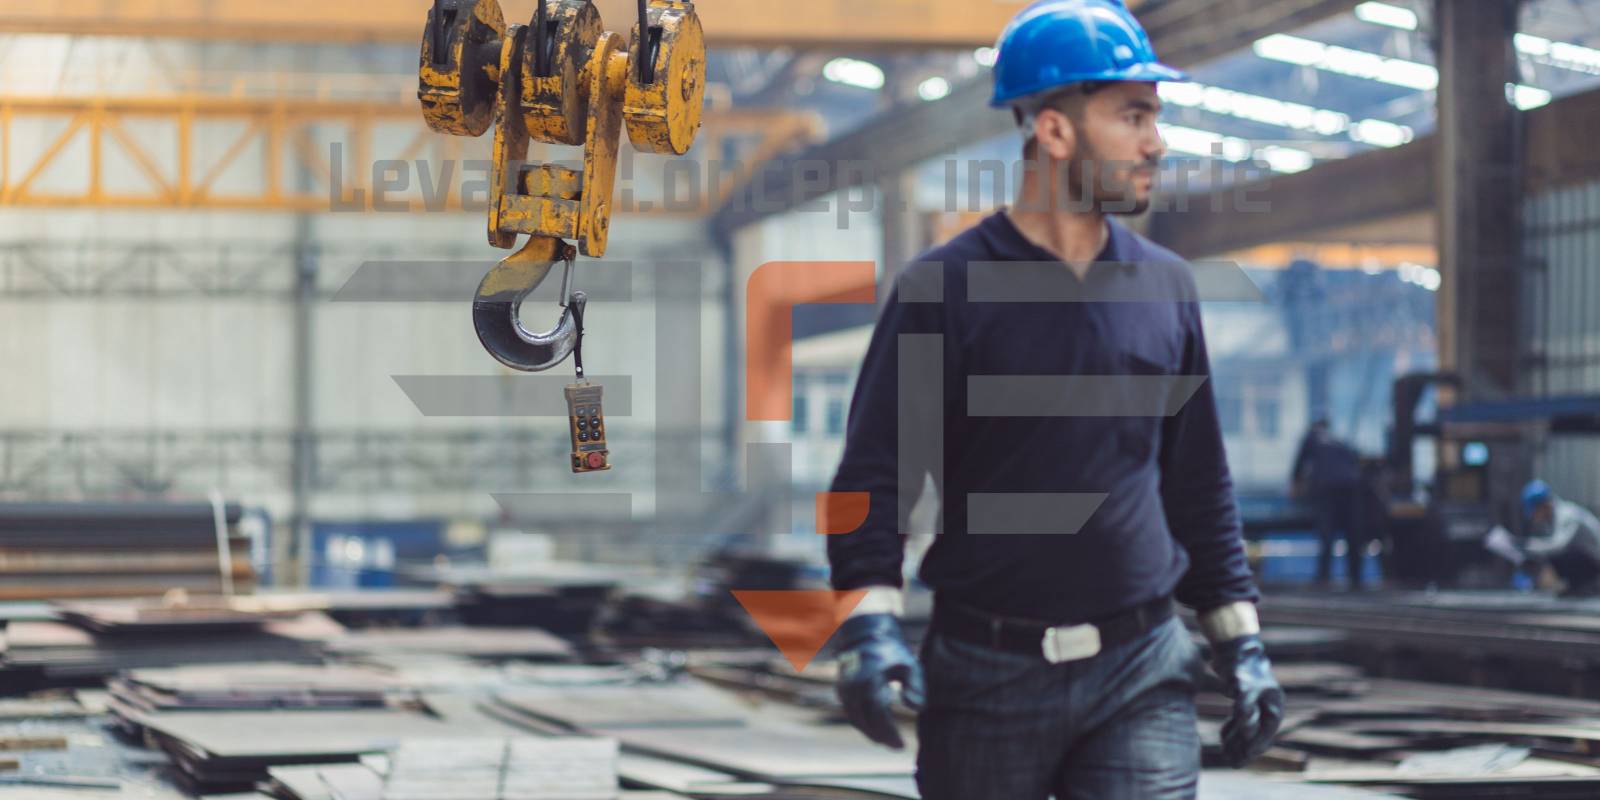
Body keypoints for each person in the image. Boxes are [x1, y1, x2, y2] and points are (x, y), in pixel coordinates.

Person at [823, 2, 1283, 797]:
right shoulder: (943, 288)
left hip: (1142, 669)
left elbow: (1197, 481)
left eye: (1156, 117)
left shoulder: (1165, 287)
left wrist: (1239, 640)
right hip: (986, 676)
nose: (1156, 142)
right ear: (1054, 130)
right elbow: (877, 476)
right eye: (1134, 116)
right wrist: (868, 630)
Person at [1290, 419, 1366, 587]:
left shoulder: (1312, 437)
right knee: (1352, 532)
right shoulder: (1339, 441)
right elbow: (1356, 460)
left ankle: (1323, 577)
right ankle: (1356, 578)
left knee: (1326, 533)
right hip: (1350, 486)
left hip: (1326, 487)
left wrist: (1295, 484)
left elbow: (1299, 462)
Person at [1520, 480, 1600, 596]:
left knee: (1558, 555)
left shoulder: (1567, 515)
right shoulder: (1552, 520)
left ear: (1544, 505)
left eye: (1535, 511)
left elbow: (1559, 546)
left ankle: (1588, 584)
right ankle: (1578, 585)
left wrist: (1528, 545)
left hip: (1594, 561)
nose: (1534, 516)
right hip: (1589, 560)